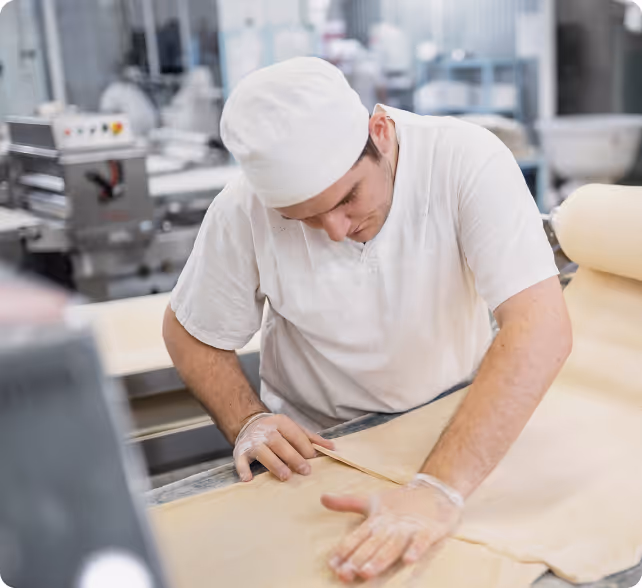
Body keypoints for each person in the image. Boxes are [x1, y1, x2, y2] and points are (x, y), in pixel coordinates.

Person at [162, 57, 572, 582]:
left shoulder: (465, 161)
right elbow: (191, 333)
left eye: (348, 197)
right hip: (317, 459)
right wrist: (248, 420)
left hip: (453, 431)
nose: (334, 230)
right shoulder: (242, 209)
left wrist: (438, 489)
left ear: (379, 132)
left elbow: (540, 325)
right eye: (305, 219)